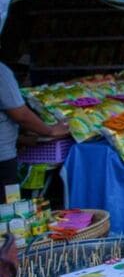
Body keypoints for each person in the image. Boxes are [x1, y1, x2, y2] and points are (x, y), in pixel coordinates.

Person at [0, 62, 69, 202]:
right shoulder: (1, 72)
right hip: (3, 160)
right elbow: (21, 115)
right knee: (7, 210)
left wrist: (22, 138)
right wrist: (50, 131)